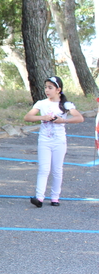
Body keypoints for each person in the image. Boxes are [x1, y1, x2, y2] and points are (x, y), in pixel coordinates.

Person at [23, 76, 83, 207]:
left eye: (50, 87)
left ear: (58, 89)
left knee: (57, 170)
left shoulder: (66, 104)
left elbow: (79, 118)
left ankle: (55, 197)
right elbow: (27, 117)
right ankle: (39, 197)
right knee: (43, 169)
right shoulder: (41, 103)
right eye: (45, 87)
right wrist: (43, 117)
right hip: (44, 140)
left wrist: (63, 120)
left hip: (59, 141)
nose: (47, 90)